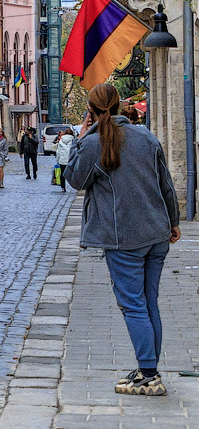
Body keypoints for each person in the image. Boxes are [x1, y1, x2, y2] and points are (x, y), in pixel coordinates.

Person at [66, 80, 182, 397]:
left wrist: (80, 139)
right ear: (118, 106)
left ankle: (149, 375)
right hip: (156, 232)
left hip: (123, 237)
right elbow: (166, 184)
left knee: (133, 305)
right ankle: (148, 370)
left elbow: (74, 179)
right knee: (148, 303)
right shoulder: (146, 137)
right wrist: (173, 222)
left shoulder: (94, 143)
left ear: (90, 111)